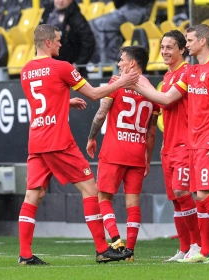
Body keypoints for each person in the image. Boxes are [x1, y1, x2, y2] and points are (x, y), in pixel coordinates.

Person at [18, 24, 139, 265]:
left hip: (37, 140)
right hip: (58, 141)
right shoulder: (62, 67)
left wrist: (64, 101)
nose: (61, 44)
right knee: (90, 190)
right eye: (58, 40)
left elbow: (43, 98)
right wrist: (122, 81)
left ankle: (25, 255)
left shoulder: (25, 70)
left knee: (33, 194)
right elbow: (94, 94)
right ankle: (103, 249)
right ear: (49, 43)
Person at [133, 24, 209, 263]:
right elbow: (168, 98)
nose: (187, 44)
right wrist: (135, 83)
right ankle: (205, 251)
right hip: (193, 142)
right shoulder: (191, 72)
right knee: (199, 196)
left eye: (189, 40)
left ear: (202, 41)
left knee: (204, 194)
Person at [86, 46, 159, 262]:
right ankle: (130, 251)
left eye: (122, 60)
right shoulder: (152, 93)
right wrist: (147, 157)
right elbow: (152, 132)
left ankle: (116, 241)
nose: (119, 64)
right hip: (137, 152)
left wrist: (91, 137)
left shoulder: (116, 84)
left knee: (103, 197)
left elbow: (101, 113)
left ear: (133, 64)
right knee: (133, 204)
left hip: (114, 151)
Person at [158, 30, 202, 262]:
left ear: (182, 50)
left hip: (184, 145)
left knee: (182, 192)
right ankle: (184, 248)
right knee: (175, 199)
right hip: (168, 145)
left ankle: (198, 244)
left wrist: (134, 84)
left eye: (170, 47)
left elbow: (165, 100)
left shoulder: (187, 72)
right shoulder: (167, 76)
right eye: (162, 47)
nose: (164, 51)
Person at [89, 0, 155, 64]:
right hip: (125, 9)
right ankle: (100, 60)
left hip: (139, 10)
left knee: (102, 24)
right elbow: (117, 4)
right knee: (91, 24)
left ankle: (109, 60)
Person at [41, 0, 95, 77]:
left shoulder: (76, 17)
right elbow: (39, 37)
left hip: (69, 71)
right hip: (48, 68)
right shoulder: (47, 12)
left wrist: (78, 64)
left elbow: (89, 41)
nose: (60, 1)